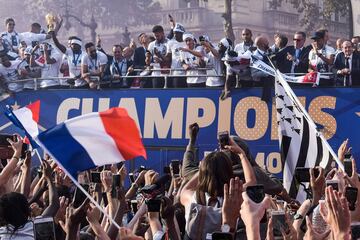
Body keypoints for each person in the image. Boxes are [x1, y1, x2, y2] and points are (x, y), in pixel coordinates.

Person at [165, 23, 187, 88]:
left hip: (187, 74)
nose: (175, 35)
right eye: (174, 33)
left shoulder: (187, 42)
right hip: (176, 73)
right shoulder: (170, 43)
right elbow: (168, 58)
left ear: (182, 33)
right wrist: (160, 56)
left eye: (177, 33)